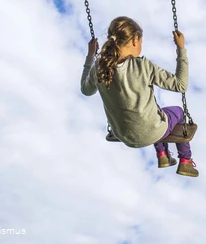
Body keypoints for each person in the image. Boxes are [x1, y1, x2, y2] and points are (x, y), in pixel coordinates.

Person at [80, 16, 198, 177]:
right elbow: (180, 85)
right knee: (177, 112)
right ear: (135, 40)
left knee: (156, 114)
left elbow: (85, 90)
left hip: (124, 135)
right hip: (153, 132)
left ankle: (163, 156)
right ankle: (186, 162)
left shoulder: (99, 68)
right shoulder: (143, 66)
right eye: (141, 41)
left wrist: (91, 56)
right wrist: (181, 49)